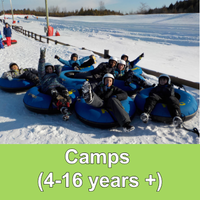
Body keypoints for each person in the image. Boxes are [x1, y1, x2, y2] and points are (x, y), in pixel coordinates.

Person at [38, 48, 72, 120]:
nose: (48, 70)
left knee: (64, 90)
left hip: (58, 85)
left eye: (50, 69)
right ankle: (61, 105)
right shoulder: (43, 75)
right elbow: (41, 68)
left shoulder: (56, 74)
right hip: (48, 87)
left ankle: (67, 102)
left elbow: (59, 67)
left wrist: (54, 67)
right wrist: (42, 58)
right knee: (54, 93)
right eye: (47, 69)